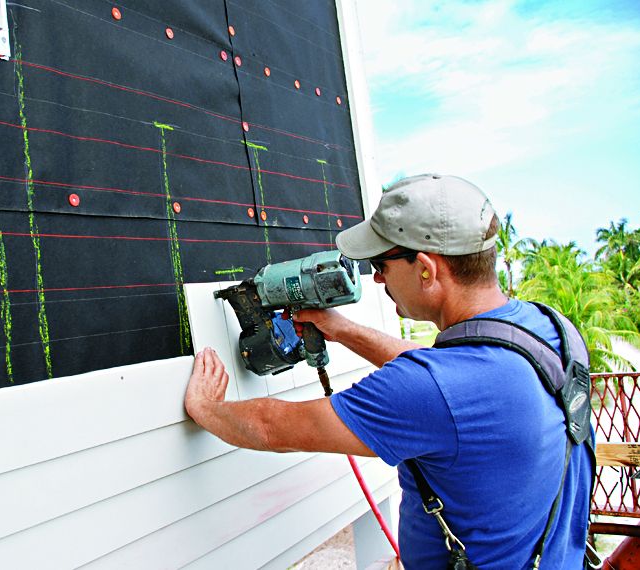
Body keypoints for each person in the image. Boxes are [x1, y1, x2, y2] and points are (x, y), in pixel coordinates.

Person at [184, 174, 592, 569]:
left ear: (427, 269)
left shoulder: (433, 389)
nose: (377, 277)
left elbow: (276, 427)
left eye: (381, 263)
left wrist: (206, 408)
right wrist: (342, 330)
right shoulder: (549, 329)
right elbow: (448, 382)